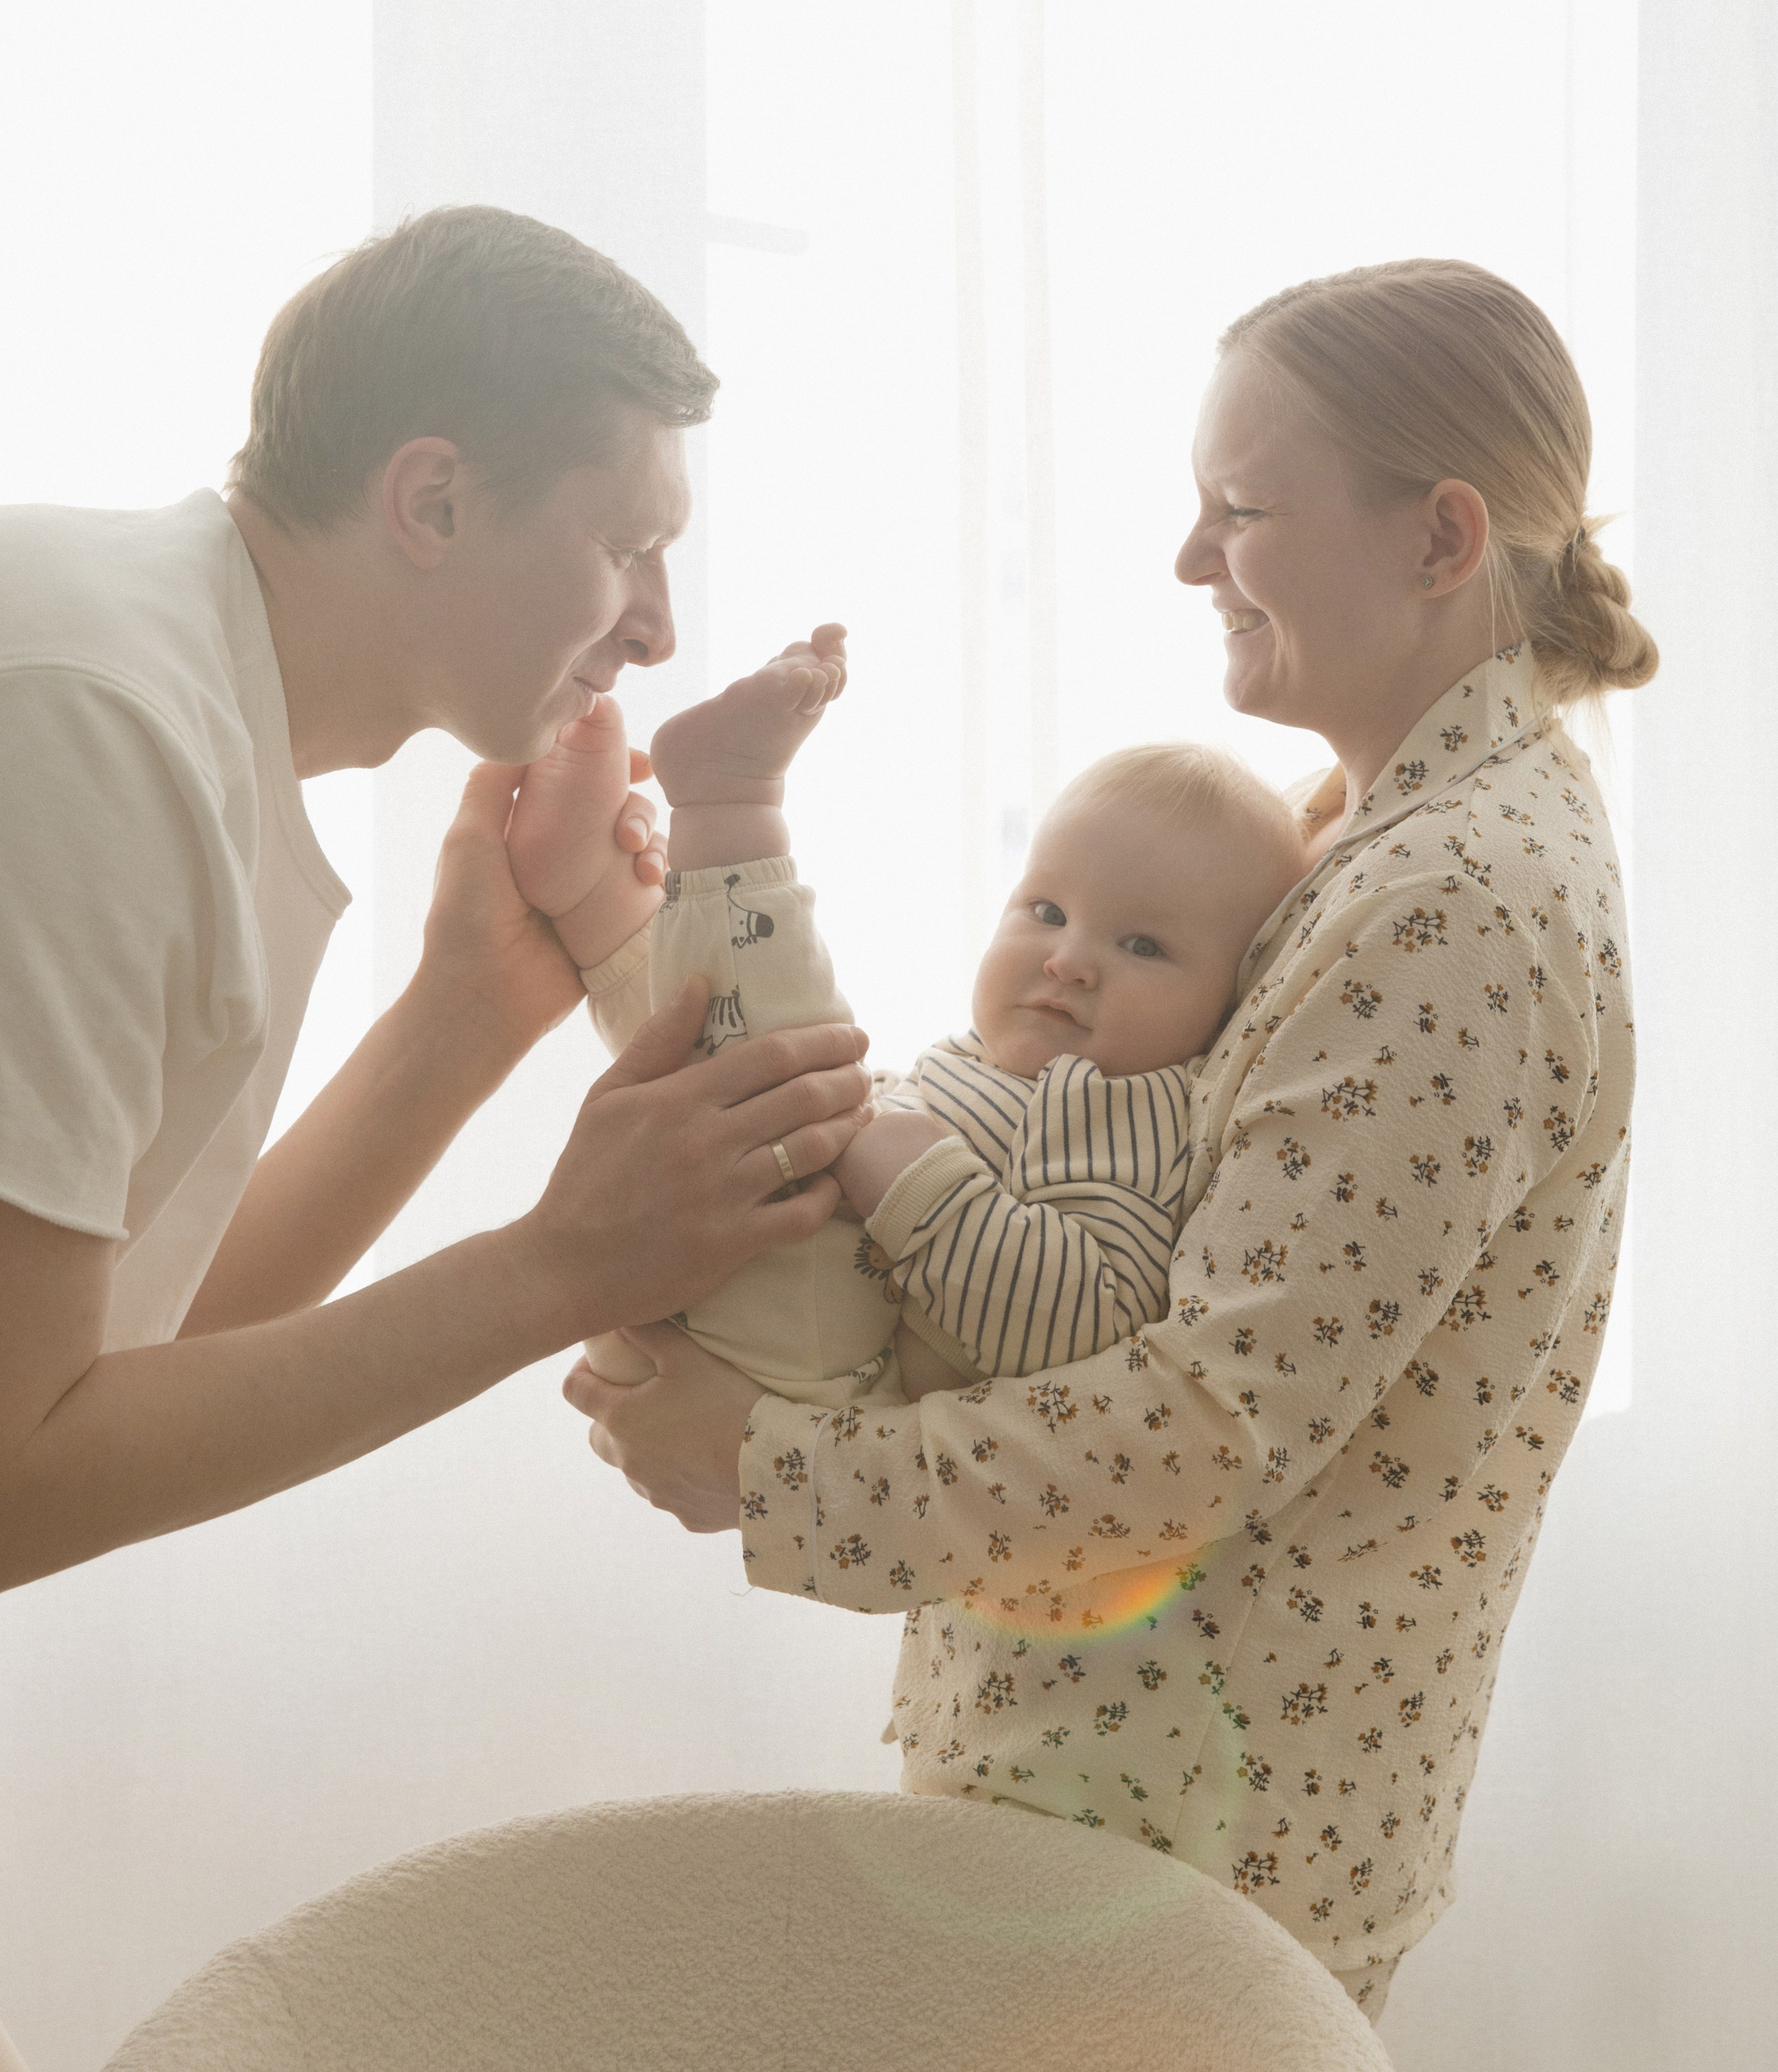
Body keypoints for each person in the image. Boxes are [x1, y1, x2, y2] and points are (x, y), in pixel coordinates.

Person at [569, 256, 1657, 2027]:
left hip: (1177, 1828)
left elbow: (1210, 1427)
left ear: (1440, 536)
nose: (1185, 561)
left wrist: (770, 1470)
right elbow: (1130, 1230)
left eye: (1236, 510)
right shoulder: (1394, 834)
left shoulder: (1446, 901)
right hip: (1138, 1786)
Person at [0, 204, 872, 1605]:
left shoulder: (175, 700)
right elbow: (14, 1477)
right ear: (434, 502)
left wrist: (466, 1015)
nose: (658, 628)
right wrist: (556, 1267)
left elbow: (131, 1351)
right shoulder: (96, 725)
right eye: (626, 546)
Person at [548, 627, 1305, 1404]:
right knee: (734, 1061)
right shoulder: (985, 1061)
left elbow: (1082, 1325)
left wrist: (900, 1163)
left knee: (785, 1058)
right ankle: (596, 906)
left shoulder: (1131, 1108)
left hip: (825, 1360)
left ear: (1228, 1001)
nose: (1067, 958)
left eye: (1142, 944)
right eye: (1046, 909)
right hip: (734, 1292)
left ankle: (727, 809)